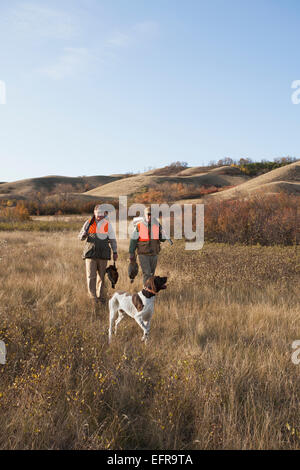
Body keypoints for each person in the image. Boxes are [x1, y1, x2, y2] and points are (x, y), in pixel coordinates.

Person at [79, 205, 118, 304]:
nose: (99, 216)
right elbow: (80, 237)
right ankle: (93, 298)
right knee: (91, 277)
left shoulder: (107, 224)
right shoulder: (88, 223)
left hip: (103, 255)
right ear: (94, 212)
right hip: (90, 254)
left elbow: (113, 239)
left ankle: (101, 298)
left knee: (101, 277)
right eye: (98, 214)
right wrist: (84, 235)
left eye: (101, 214)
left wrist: (115, 252)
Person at [129, 206, 167, 284]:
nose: (149, 216)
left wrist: (163, 233)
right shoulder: (139, 226)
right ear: (145, 215)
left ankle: (150, 292)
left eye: (151, 214)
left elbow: (162, 239)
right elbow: (133, 240)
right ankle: (146, 291)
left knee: (152, 274)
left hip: (154, 254)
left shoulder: (157, 225)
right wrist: (131, 253)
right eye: (148, 214)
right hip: (143, 254)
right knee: (147, 273)